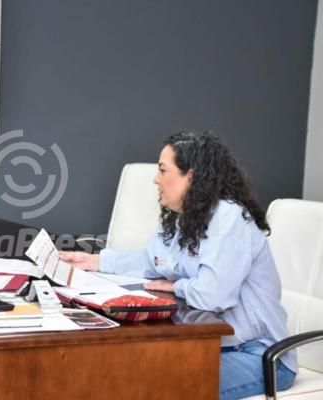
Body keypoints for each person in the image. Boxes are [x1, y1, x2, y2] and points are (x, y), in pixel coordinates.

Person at [60, 132, 297, 400]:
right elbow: (152, 262)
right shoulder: (184, 217)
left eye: (163, 170)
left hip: (260, 355)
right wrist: (94, 261)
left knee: (156, 388)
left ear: (191, 177)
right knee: (123, 372)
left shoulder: (228, 217)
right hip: (209, 344)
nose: (155, 179)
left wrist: (176, 286)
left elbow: (213, 296)